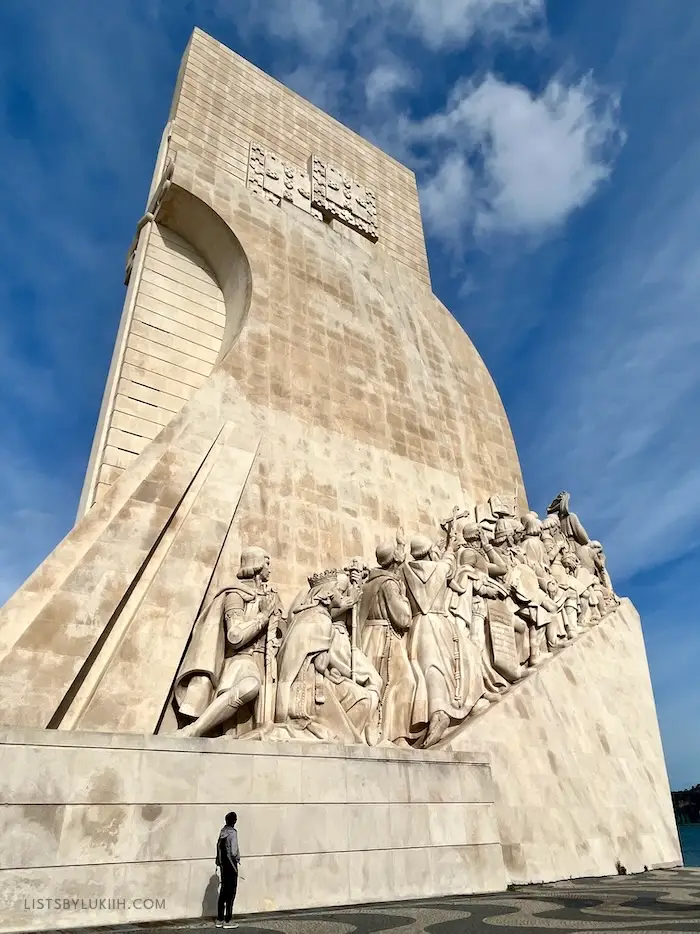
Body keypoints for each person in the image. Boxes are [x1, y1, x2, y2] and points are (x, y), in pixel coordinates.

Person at [215, 811, 240, 928]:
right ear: (234, 821)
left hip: (223, 866)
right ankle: (228, 920)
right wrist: (237, 859)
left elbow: (219, 848)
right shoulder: (232, 833)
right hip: (231, 865)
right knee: (231, 892)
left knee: (223, 891)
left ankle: (220, 919)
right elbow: (234, 851)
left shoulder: (222, 832)